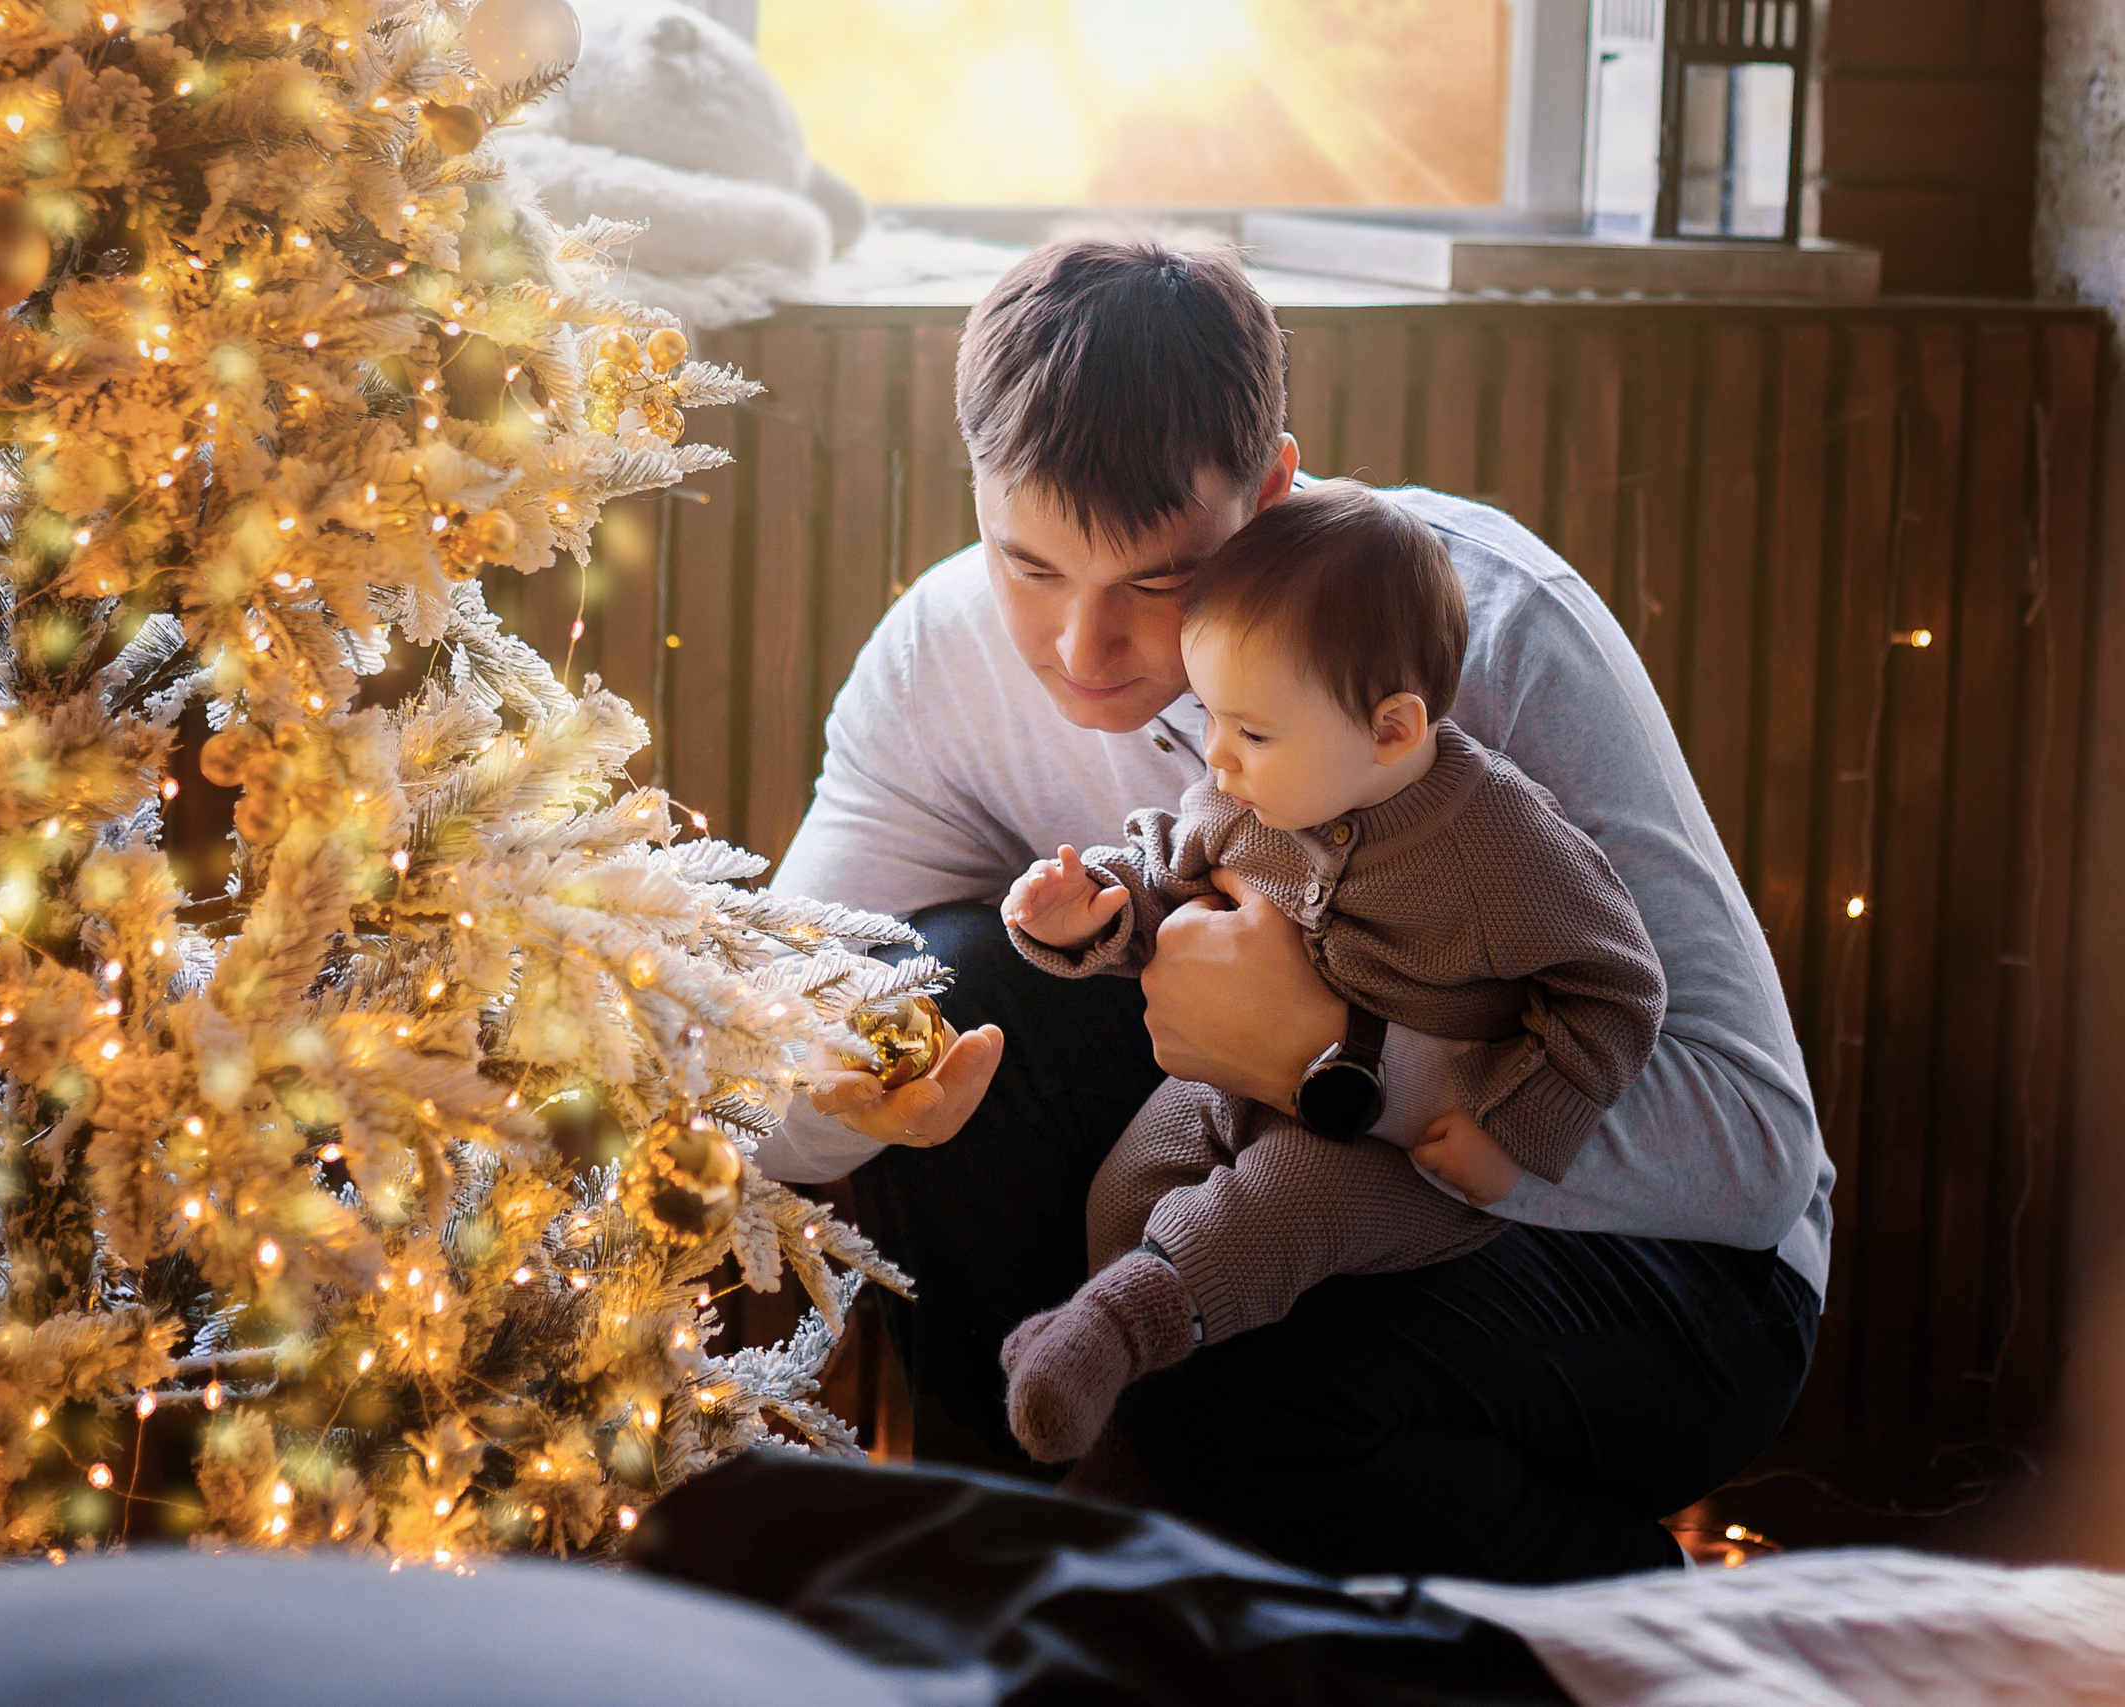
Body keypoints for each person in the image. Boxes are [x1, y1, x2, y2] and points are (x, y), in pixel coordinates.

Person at [757, 232, 1832, 1583]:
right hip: (1253, 1176)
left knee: (1223, 1391)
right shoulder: (942, 655)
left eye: (1158, 579)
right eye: (1028, 566)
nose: (1085, 653)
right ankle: (1022, 1592)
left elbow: (1750, 1152)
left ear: (1271, 489)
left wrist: (1339, 1060)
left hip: (1668, 1268)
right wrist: (848, 1096)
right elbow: (757, 1049)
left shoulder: (1479, 629)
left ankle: (1626, 1607)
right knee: (949, 983)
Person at [994, 481, 1666, 1469]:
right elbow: (1161, 873)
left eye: (1251, 731)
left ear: (1392, 730)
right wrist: (1091, 911)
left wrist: (1516, 1132)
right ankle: (1119, 1389)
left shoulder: (1503, 848)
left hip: (1392, 1159)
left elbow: (1615, 990)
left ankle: (1117, 1332)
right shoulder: (1245, 801)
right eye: (1211, 716)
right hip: (1231, 1083)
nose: (1216, 759)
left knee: (1272, 1208)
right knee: (1126, 1183)